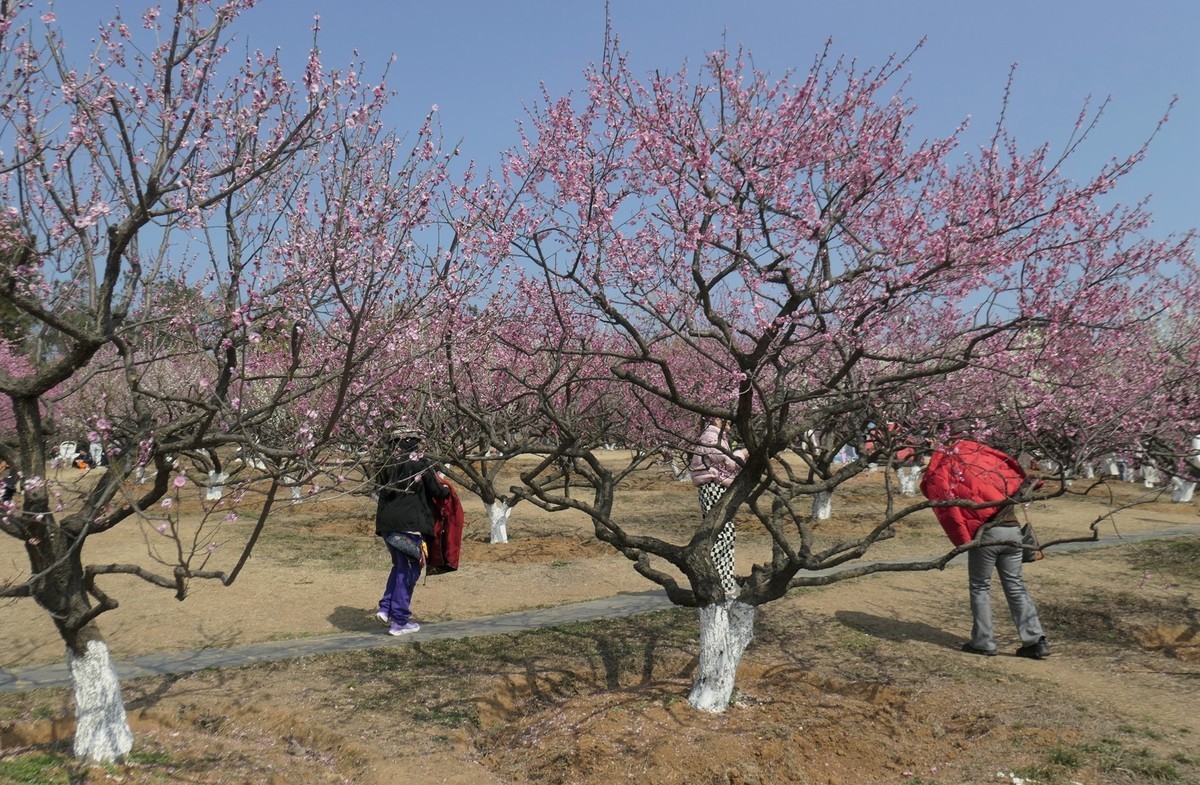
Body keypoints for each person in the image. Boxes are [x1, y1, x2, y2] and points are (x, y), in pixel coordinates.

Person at [920, 438, 1051, 659]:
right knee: (1016, 586)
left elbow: (945, 505)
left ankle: (984, 641)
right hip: (1013, 530)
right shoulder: (988, 459)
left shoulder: (946, 468)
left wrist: (963, 540)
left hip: (986, 534)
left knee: (980, 586)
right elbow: (1020, 479)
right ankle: (1035, 641)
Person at [373, 430, 449, 636]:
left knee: (399, 567)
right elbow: (437, 490)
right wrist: (447, 490)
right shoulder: (420, 464)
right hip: (410, 527)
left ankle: (385, 608)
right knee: (409, 572)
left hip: (388, 526)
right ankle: (399, 620)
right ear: (415, 444)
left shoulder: (384, 464)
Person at [690, 416, 748, 597]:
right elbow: (728, 462)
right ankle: (712, 579)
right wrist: (744, 453)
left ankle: (724, 581)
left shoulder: (716, 437)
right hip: (712, 486)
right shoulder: (710, 437)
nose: (729, 425)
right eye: (727, 421)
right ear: (716, 420)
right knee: (721, 532)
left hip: (717, 486)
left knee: (726, 533)